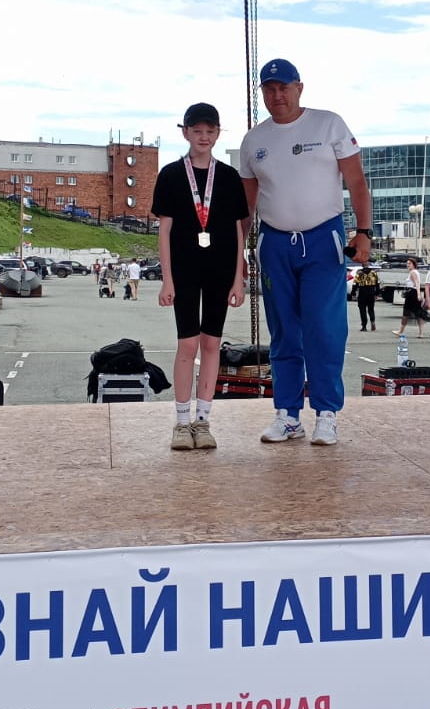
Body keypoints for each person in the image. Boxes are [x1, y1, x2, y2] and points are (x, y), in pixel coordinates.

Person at [239, 58, 371, 447]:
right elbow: (246, 207)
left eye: (284, 87)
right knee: (284, 331)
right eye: (269, 89)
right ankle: (288, 415)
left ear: (299, 88)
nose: (277, 95)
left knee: (324, 329)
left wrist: (363, 232)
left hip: (322, 239)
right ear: (262, 93)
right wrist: (238, 253)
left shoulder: (328, 124)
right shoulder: (254, 141)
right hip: (275, 242)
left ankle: (326, 414)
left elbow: (357, 182)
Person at [152, 102, 248, 450]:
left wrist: (238, 277)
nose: (203, 137)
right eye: (197, 131)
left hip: (220, 270)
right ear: (186, 133)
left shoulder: (229, 177)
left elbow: (238, 231)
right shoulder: (171, 175)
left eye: (210, 131)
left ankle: (203, 420)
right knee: (188, 344)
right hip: (185, 270)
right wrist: (167, 279)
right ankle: (181, 422)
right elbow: (164, 231)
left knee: (211, 344)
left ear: (218, 133)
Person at [392, 258, 426, 339]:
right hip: (413, 293)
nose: (408, 265)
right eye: (407, 263)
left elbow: (417, 283)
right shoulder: (415, 272)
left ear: (413, 264)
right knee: (418, 313)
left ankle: (400, 331)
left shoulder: (413, 272)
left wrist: (418, 294)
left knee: (406, 313)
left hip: (412, 293)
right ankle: (421, 333)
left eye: (409, 263)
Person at [354, 264, 379, 331]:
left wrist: (353, 293)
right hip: (371, 293)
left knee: (362, 310)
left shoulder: (359, 273)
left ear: (362, 265)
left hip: (362, 293)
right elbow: (377, 284)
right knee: (371, 309)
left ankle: (364, 326)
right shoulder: (373, 273)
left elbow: (355, 284)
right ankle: (372, 321)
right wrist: (377, 293)